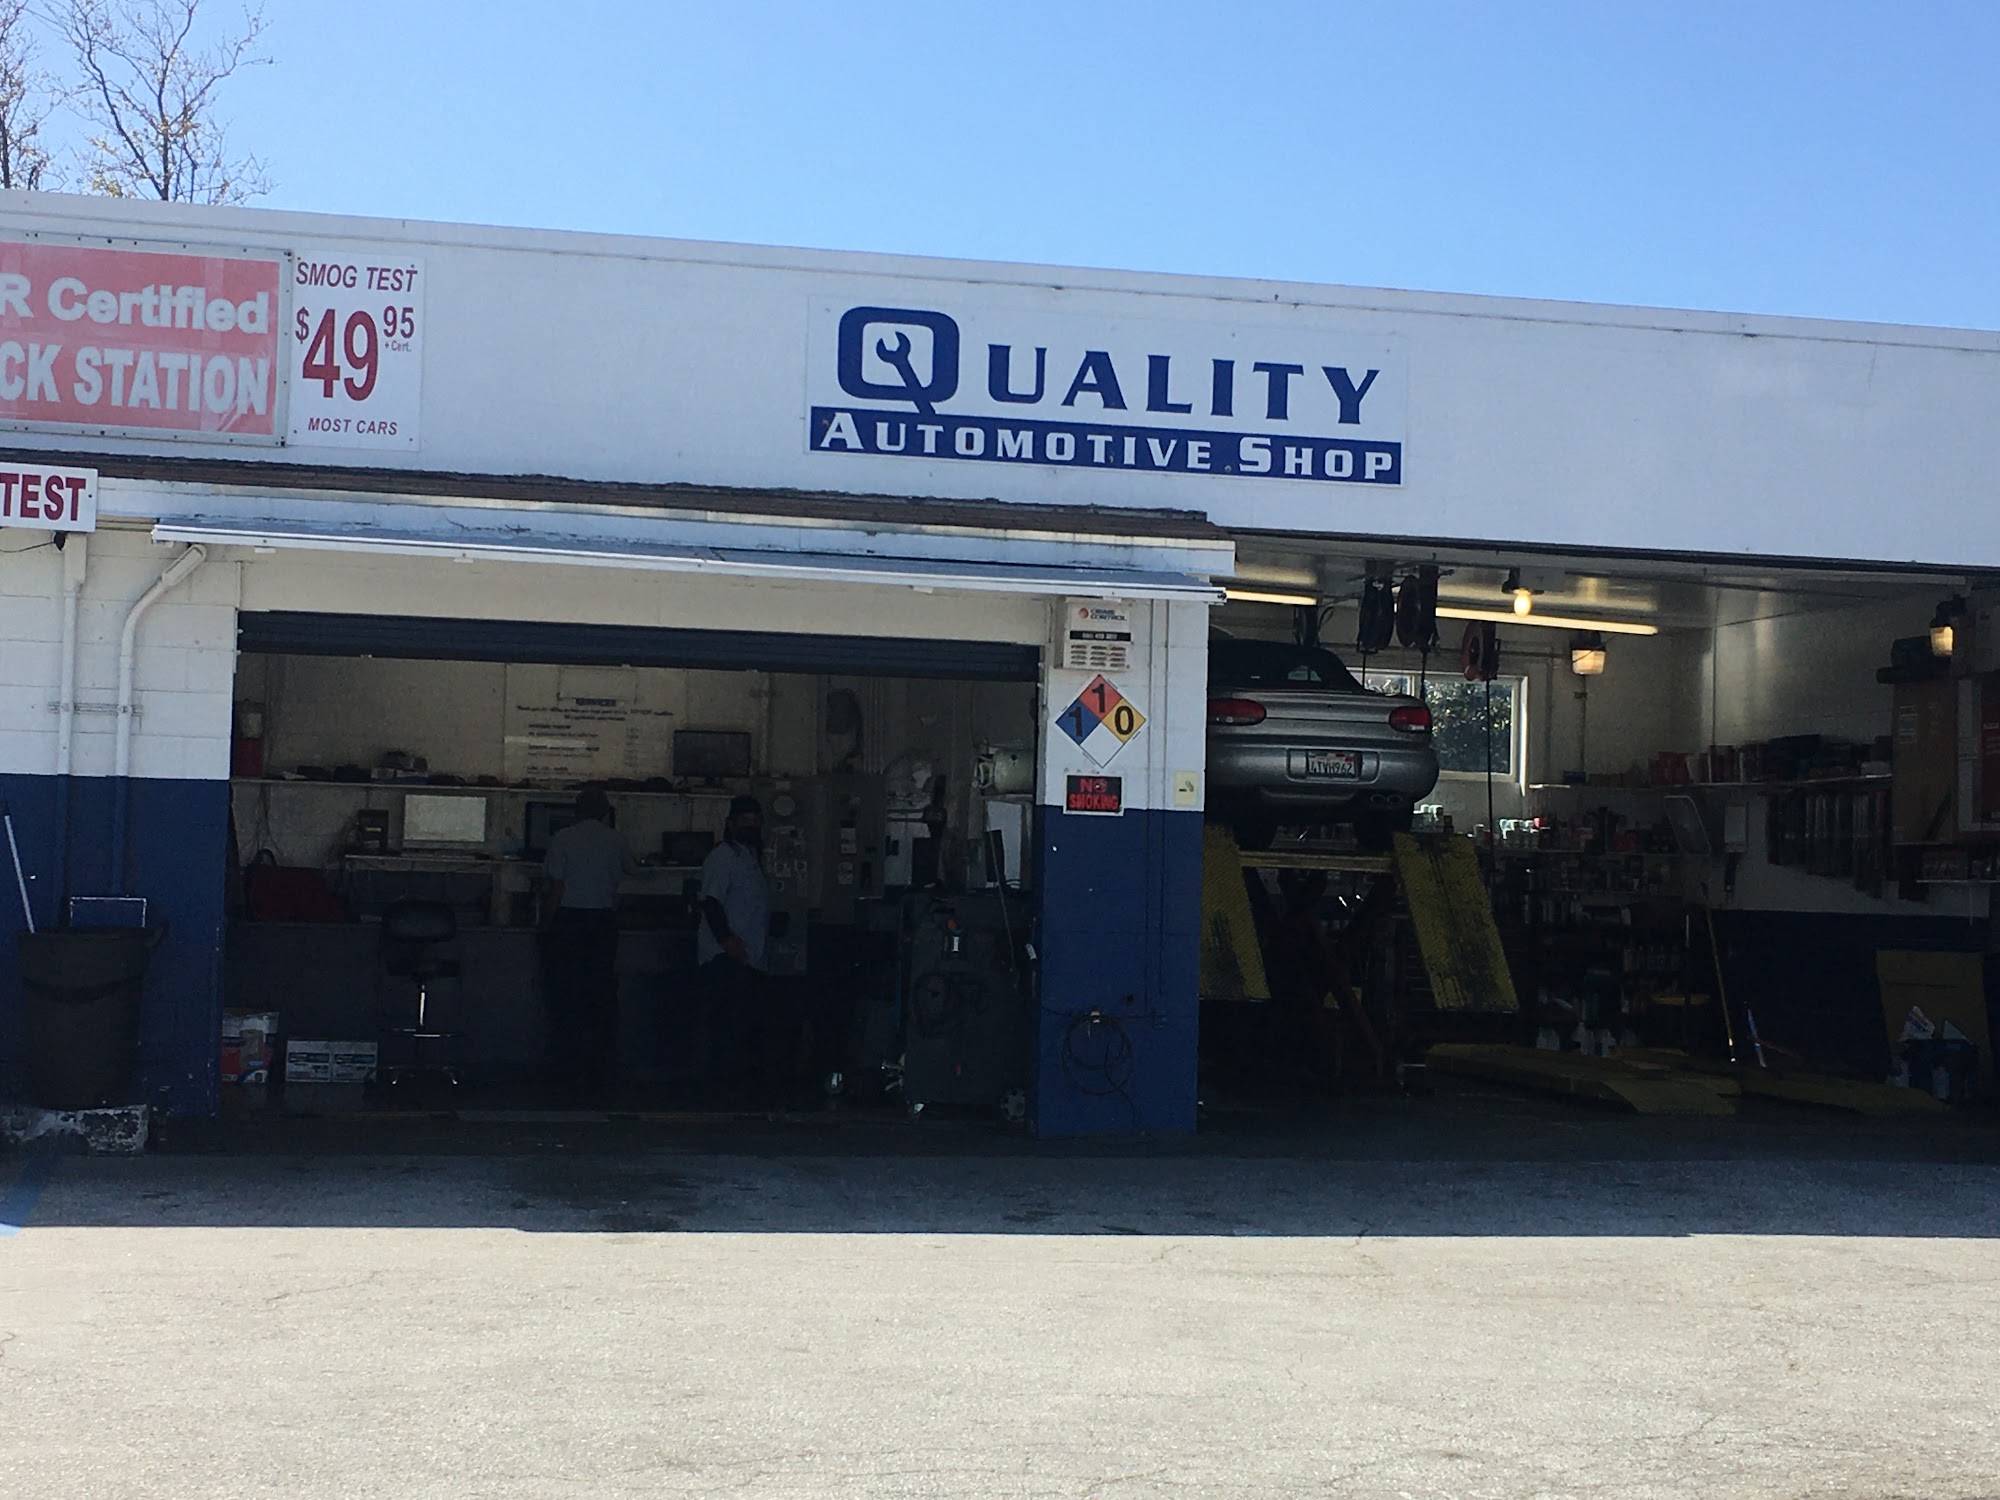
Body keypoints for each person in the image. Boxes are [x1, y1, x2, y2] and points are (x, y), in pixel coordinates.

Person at [697, 796, 788, 1106]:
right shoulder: (722, 858)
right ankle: (719, 1093)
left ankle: (734, 1092)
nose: (751, 826)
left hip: (750, 958)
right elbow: (711, 902)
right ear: (731, 824)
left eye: (755, 820)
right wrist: (727, 940)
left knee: (741, 1027)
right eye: (744, 820)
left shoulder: (751, 858)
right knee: (726, 1028)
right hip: (726, 957)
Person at [540, 787, 628, 1100]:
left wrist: (547, 924)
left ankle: (566, 1071)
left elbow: (557, 888)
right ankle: (601, 1072)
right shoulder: (616, 840)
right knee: (601, 998)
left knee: (567, 997)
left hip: (570, 923)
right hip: (602, 923)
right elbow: (622, 880)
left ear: (576, 811)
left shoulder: (562, 838)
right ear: (605, 812)